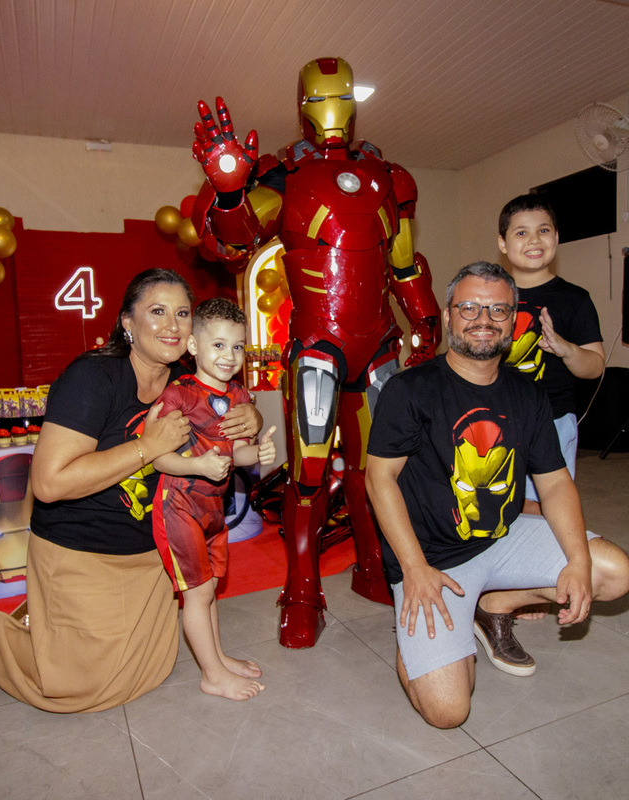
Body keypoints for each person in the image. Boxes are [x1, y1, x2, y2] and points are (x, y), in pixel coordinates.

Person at [0, 269, 262, 714]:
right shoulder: (93, 377)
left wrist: (252, 418)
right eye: (157, 311)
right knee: (81, 689)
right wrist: (147, 447)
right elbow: (48, 484)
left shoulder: (186, 378)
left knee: (151, 669)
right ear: (127, 322)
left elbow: (234, 404)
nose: (172, 325)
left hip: (150, 553)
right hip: (81, 547)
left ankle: (46, 621)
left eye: (182, 313)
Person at [189, 56, 443, 648]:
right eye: (323, 97)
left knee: (379, 470)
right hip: (319, 347)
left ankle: (375, 565)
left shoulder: (389, 177)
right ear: (303, 104)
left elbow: (404, 263)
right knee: (308, 474)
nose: (334, 109)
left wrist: (425, 320)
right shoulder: (284, 178)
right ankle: (302, 590)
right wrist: (229, 190)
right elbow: (234, 239)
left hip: (378, 345)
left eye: (344, 95)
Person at [364, 262, 629, 729]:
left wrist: (577, 560)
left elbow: (555, 482)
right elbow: (378, 480)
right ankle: (421, 644)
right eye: (468, 307)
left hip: (501, 538)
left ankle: (494, 604)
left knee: (612, 573)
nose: (483, 319)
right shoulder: (410, 390)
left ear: (513, 320)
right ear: (448, 316)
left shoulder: (528, 393)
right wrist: (414, 569)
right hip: (433, 561)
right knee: (449, 711)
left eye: (497, 310)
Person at [151, 298, 277, 701]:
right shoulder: (179, 394)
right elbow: (157, 457)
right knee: (198, 592)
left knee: (211, 586)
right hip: (178, 505)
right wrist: (198, 466)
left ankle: (218, 658)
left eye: (237, 347)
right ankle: (212, 675)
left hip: (212, 509)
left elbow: (237, 452)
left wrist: (258, 453)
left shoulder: (238, 394)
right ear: (193, 346)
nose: (229, 356)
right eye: (219, 345)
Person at [497, 194, 605, 514]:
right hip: (495, 418)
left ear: (556, 238)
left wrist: (566, 349)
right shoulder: (488, 295)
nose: (534, 240)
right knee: (498, 503)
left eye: (543, 230)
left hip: (553, 420)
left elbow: (595, 366)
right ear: (502, 243)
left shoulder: (575, 299)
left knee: (549, 502)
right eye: (521, 232)